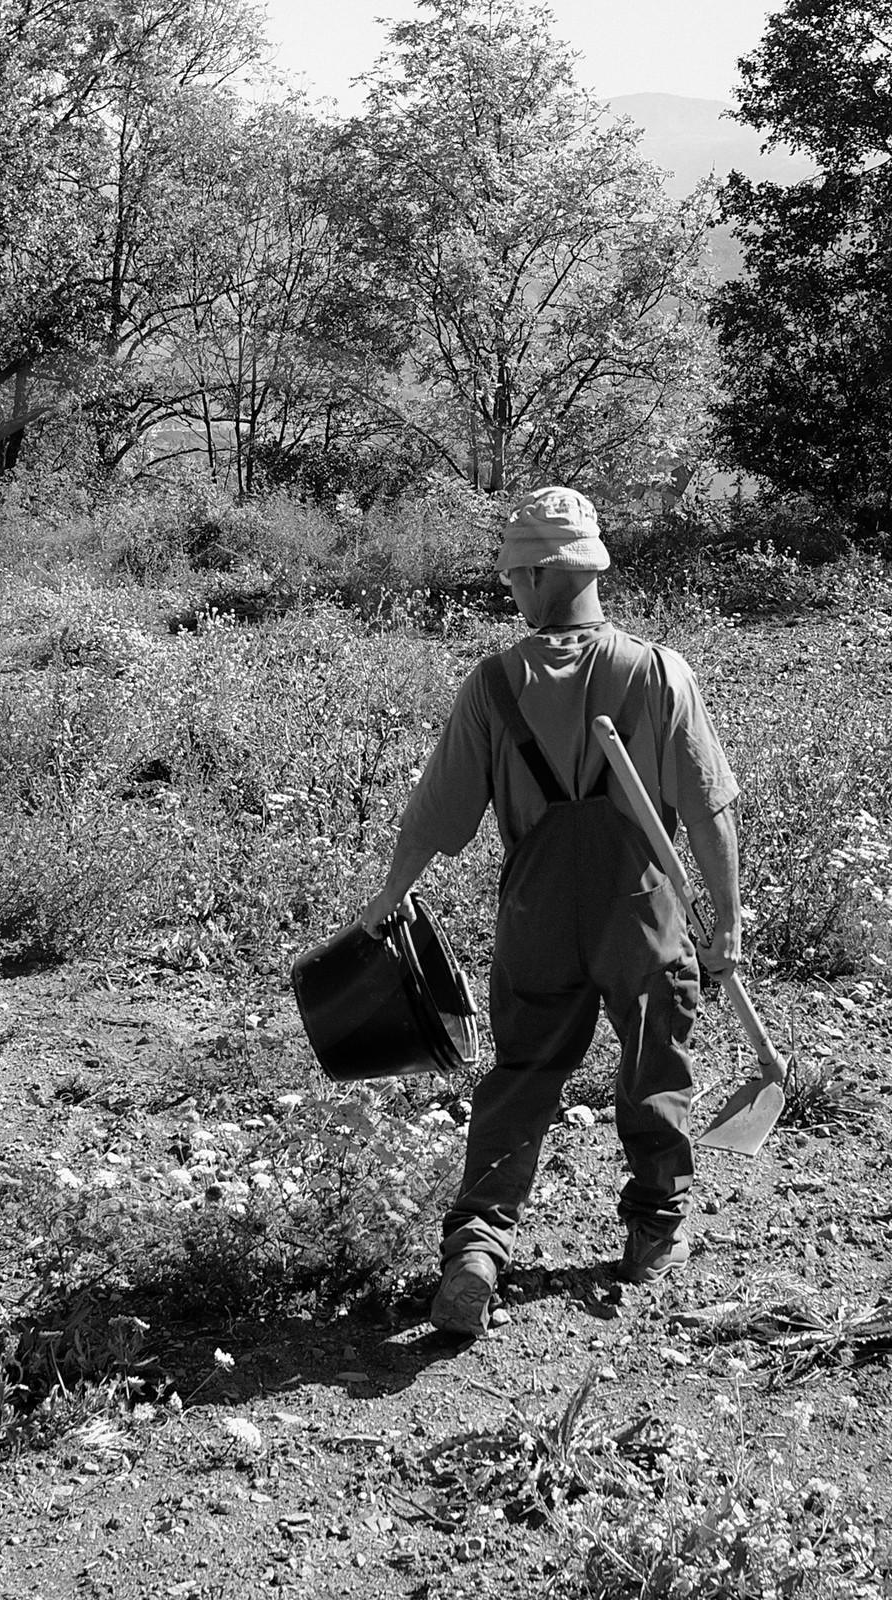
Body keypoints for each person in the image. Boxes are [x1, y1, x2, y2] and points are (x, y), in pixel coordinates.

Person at [357, 486, 743, 1336]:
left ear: (536, 577)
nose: (512, 595)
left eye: (513, 580)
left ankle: (477, 1249)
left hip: (534, 915)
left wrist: (391, 897)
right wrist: (729, 920)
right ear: (593, 567)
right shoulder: (659, 671)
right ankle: (653, 1233)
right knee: (654, 1068)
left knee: (524, 1078)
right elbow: (710, 808)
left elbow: (435, 817)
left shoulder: (493, 684)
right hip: (642, 914)